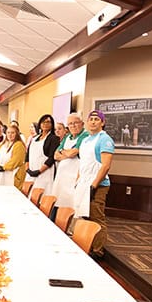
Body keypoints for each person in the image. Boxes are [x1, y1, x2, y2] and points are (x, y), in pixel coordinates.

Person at [77, 110, 114, 258]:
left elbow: (105, 166)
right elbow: (83, 164)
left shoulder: (104, 140)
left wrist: (94, 185)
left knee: (96, 217)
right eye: (90, 119)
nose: (93, 121)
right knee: (84, 215)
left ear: (102, 123)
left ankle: (98, 250)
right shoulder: (86, 140)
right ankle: (87, 244)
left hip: (97, 185)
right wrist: (78, 182)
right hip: (83, 183)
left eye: (96, 119)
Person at [51, 113, 83, 211]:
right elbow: (56, 155)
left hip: (73, 176)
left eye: (75, 123)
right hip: (62, 177)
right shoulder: (67, 137)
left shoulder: (84, 135)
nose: (73, 126)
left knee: (71, 207)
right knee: (59, 203)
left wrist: (64, 152)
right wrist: (67, 153)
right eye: (70, 124)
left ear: (82, 124)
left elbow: (73, 153)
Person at [26, 114, 61, 197]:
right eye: (43, 122)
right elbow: (27, 156)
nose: (45, 124)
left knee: (41, 198)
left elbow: (51, 158)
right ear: (40, 124)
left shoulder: (54, 138)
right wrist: (28, 169)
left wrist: (39, 171)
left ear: (52, 124)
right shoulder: (34, 138)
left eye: (48, 122)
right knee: (29, 196)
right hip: (31, 173)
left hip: (44, 174)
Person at [0, 124, 27, 189]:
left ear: (17, 134)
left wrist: (4, 167)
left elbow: (16, 160)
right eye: (8, 133)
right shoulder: (4, 144)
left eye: (12, 133)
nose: (10, 135)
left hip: (11, 174)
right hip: (1, 174)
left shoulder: (19, 145)